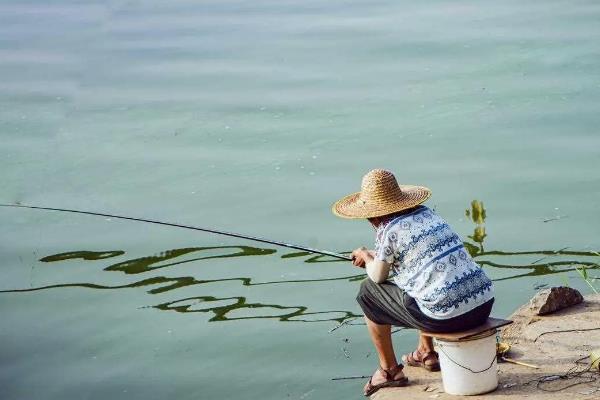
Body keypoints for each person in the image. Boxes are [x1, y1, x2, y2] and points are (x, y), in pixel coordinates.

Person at [332, 169, 494, 396]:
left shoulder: (387, 229)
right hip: (483, 305)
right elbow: (413, 261)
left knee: (368, 293)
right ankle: (426, 352)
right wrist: (374, 256)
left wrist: (367, 257)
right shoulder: (427, 214)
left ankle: (389, 371)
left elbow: (378, 277)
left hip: (449, 318)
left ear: (373, 215)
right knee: (424, 280)